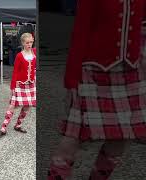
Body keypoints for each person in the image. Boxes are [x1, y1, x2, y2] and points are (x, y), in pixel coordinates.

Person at [47, 1, 146, 179]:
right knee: (73, 137)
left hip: (129, 72)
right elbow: (80, 33)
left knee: (121, 137)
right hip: (93, 71)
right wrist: (71, 81)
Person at [0, 33, 36, 138]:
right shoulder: (19, 55)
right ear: (22, 43)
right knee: (12, 106)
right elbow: (15, 72)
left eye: (31, 42)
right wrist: (13, 87)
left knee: (27, 106)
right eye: (27, 43)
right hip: (19, 84)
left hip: (31, 84)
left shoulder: (35, 53)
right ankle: (3, 128)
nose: (29, 44)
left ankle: (18, 125)